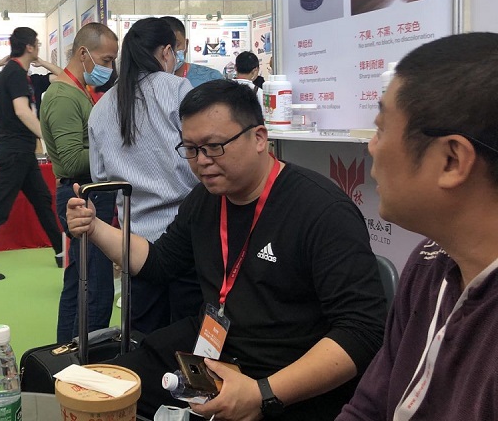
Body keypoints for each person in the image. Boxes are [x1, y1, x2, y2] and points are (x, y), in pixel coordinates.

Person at [69, 80, 387, 420]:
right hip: (212, 355)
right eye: (191, 149)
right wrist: (95, 227)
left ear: (259, 138)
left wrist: (262, 394)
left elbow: (363, 331)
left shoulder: (320, 210)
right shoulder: (205, 200)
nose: (202, 161)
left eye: (214, 146)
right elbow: (159, 263)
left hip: (282, 377)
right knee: (97, 390)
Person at [337, 33, 498, 421]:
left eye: (381, 129)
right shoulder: (431, 259)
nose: (372, 147)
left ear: (451, 160)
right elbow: (369, 406)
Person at [88, 17, 202, 334]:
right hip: (187, 238)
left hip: (135, 246)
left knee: (144, 340)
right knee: (190, 338)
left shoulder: (101, 108)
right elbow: (201, 154)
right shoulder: (176, 88)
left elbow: (100, 178)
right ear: (166, 51)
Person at [40, 23, 120, 343]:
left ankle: (67, 353)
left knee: (79, 282)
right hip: (82, 194)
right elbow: (72, 160)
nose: (109, 68)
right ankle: (84, 359)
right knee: (96, 289)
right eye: (106, 60)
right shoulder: (63, 96)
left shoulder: (76, 91)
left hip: (86, 193)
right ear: (83, 53)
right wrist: (116, 150)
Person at [0, 27, 63, 281]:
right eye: (37, 43)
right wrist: (47, 137)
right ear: (29, 46)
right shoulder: (15, 72)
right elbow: (22, 110)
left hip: (22, 151)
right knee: (0, 208)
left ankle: (62, 252)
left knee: (42, 200)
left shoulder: (16, 73)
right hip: (15, 151)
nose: (38, 47)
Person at [162, 16, 224, 87]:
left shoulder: (212, 79)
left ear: (186, 44)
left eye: (176, 45)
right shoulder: (151, 81)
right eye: (163, 47)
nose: (169, 52)